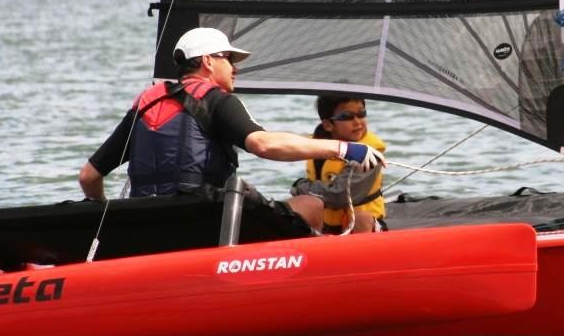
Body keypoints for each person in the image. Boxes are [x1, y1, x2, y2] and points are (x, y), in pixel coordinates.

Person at [77, 27, 384, 232]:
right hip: (207, 222)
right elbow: (264, 144)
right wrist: (343, 148)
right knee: (311, 205)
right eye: (229, 59)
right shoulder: (216, 100)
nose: (235, 67)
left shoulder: (145, 103)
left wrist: (112, 219)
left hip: (146, 224)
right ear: (208, 62)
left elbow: (89, 176)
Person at [301, 96, 387, 234]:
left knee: (361, 219)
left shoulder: (371, 152)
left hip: (362, 225)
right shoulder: (315, 144)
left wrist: (301, 187)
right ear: (328, 125)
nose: (357, 122)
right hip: (327, 225)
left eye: (361, 113)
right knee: (299, 207)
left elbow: (339, 196)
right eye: (347, 116)